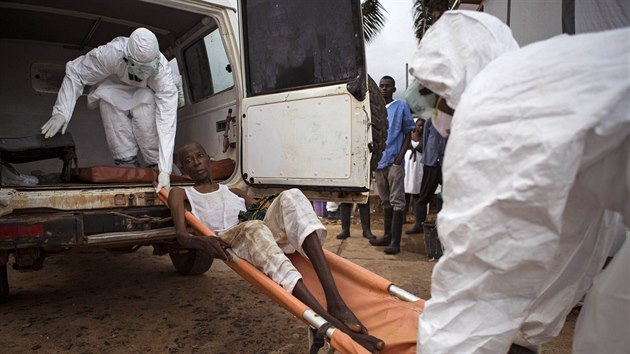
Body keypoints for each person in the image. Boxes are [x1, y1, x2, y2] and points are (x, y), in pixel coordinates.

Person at [408, 10, 629, 354]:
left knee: (609, 328)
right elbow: (575, 244)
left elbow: (476, 294)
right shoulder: (546, 77)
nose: (435, 110)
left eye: (435, 94)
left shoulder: (496, 105)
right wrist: (525, 332)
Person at [168, 142, 384, 353]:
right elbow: (181, 236)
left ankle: (335, 301)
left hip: (255, 227)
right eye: (189, 161)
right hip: (229, 237)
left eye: (199, 156)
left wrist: (282, 213)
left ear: (208, 159)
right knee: (254, 228)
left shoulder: (234, 191)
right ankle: (333, 325)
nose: (196, 163)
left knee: (292, 195)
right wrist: (202, 241)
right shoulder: (181, 193)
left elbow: (264, 211)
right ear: (184, 169)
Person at [40, 27, 184, 192]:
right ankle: (126, 163)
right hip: (112, 88)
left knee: (148, 124)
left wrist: (165, 169)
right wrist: (61, 112)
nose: (144, 73)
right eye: (140, 68)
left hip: (146, 92)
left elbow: (167, 122)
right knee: (109, 105)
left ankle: (156, 163)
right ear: (126, 58)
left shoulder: (163, 72)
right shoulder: (110, 53)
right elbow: (76, 72)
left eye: (148, 69)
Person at [369, 76, 416, 255]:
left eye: (387, 86)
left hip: (394, 161)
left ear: (394, 89)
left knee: (397, 201)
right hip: (379, 162)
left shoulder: (401, 106)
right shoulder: (376, 109)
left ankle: (396, 241)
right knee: (385, 200)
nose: (383, 89)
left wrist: (399, 158)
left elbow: (407, 134)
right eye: (381, 86)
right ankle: (387, 236)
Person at [405, 108, 447, 234]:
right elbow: (426, 139)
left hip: (446, 162)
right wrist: (428, 157)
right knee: (424, 195)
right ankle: (419, 224)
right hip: (431, 162)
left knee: (448, 195)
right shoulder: (430, 121)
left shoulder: (452, 121)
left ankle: (445, 223)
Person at [402, 119, 424, 225]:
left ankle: (418, 220)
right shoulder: (408, 137)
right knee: (405, 193)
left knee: (417, 193)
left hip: (418, 167)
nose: (421, 128)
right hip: (407, 166)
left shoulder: (425, 139)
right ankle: (402, 218)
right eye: (419, 126)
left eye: (423, 126)